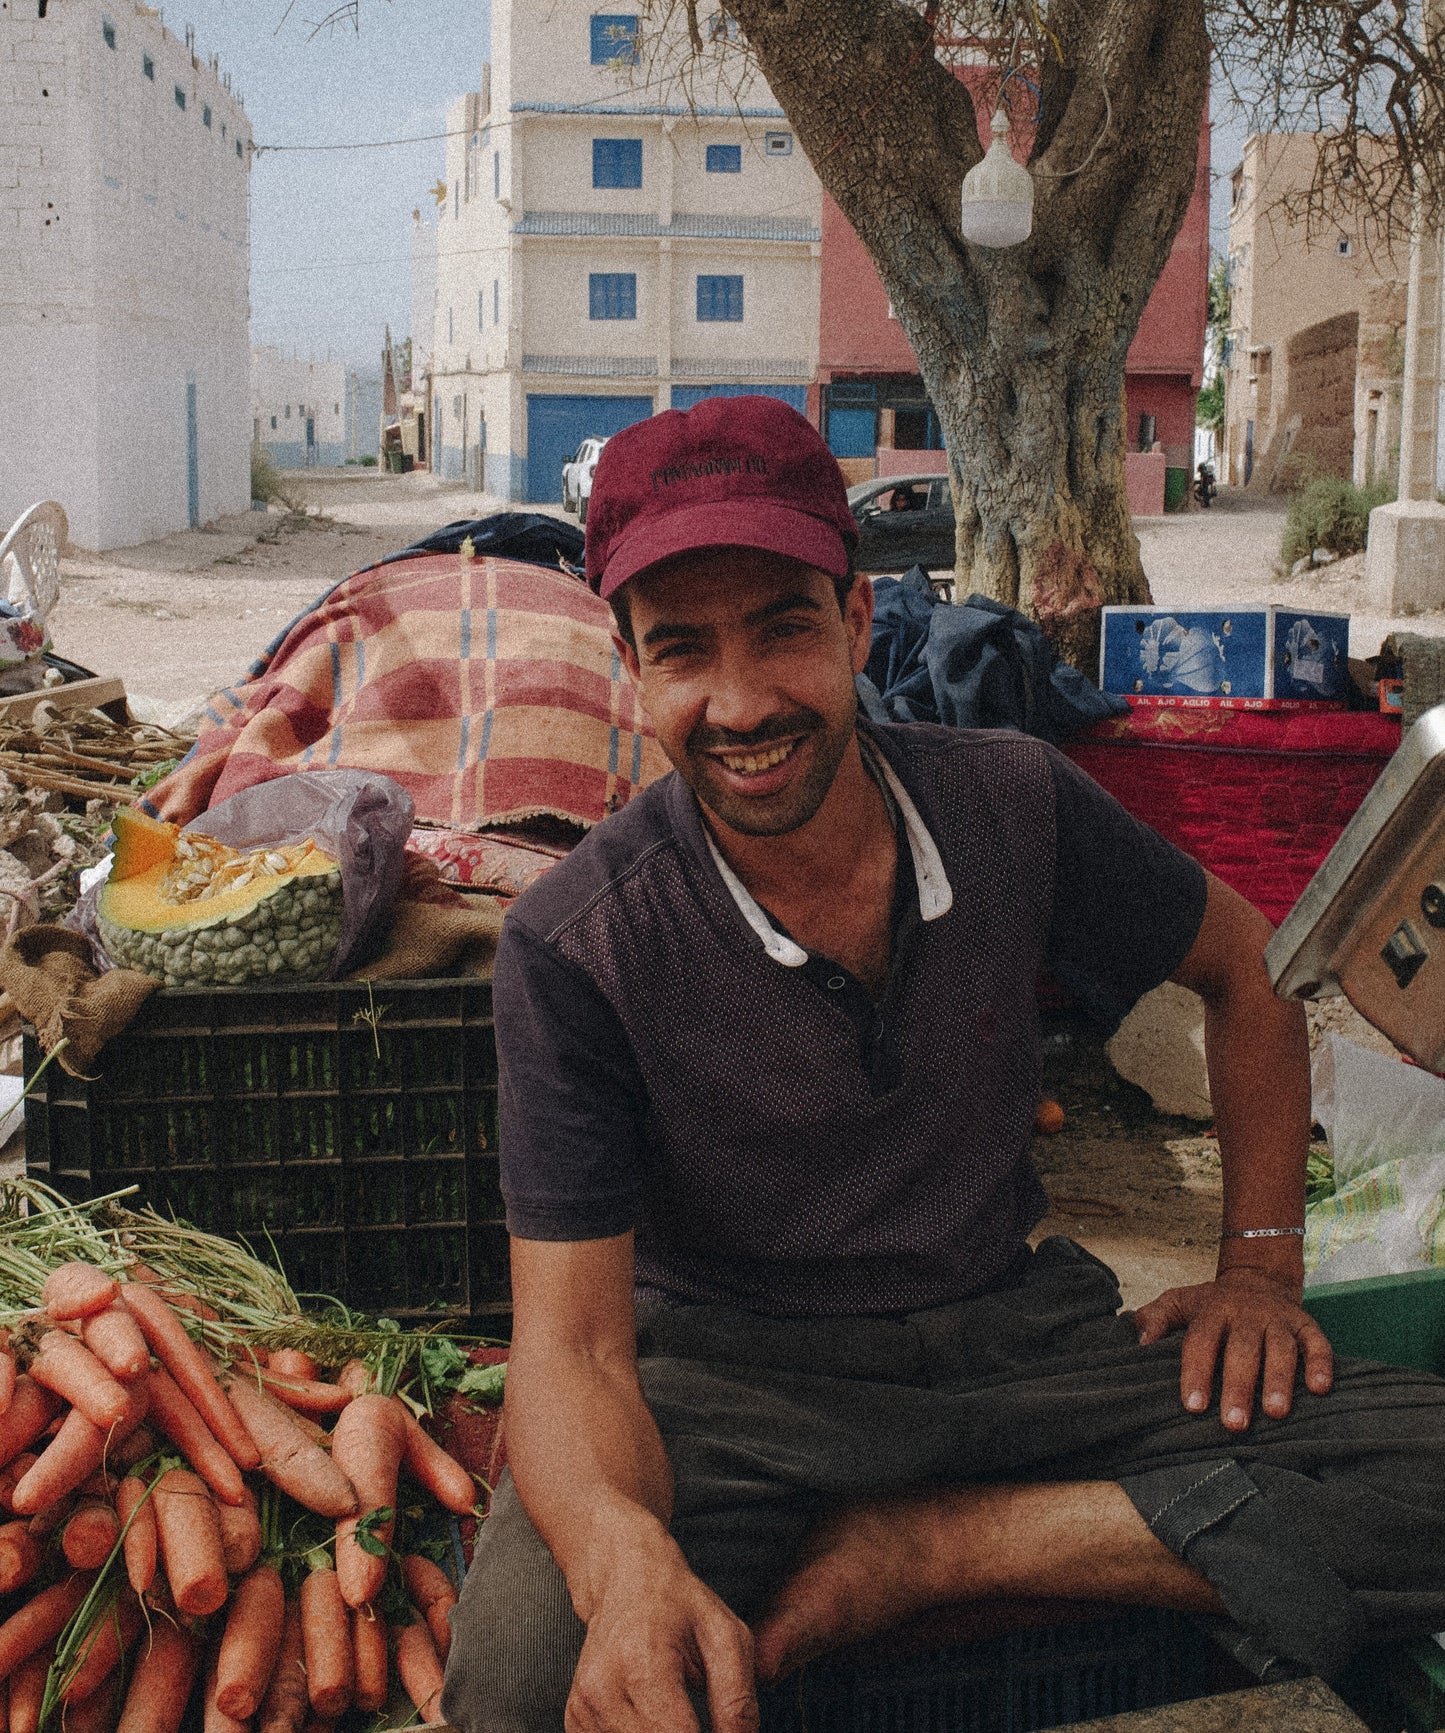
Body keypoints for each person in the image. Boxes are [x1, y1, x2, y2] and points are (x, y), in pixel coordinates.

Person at [442, 396, 1445, 1733]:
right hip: (741, 1392)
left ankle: (949, 1542)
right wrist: (624, 1557)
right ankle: (1100, 1536)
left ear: (857, 625)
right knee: (517, 1684)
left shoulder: (1009, 802)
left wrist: (1258, 1265)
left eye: (785, 628)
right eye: (683, 650)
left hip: (1017, 1343)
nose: (740, 704)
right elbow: (572, 1352)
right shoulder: (577, 949)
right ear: (630, 669)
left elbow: (1245, 968)